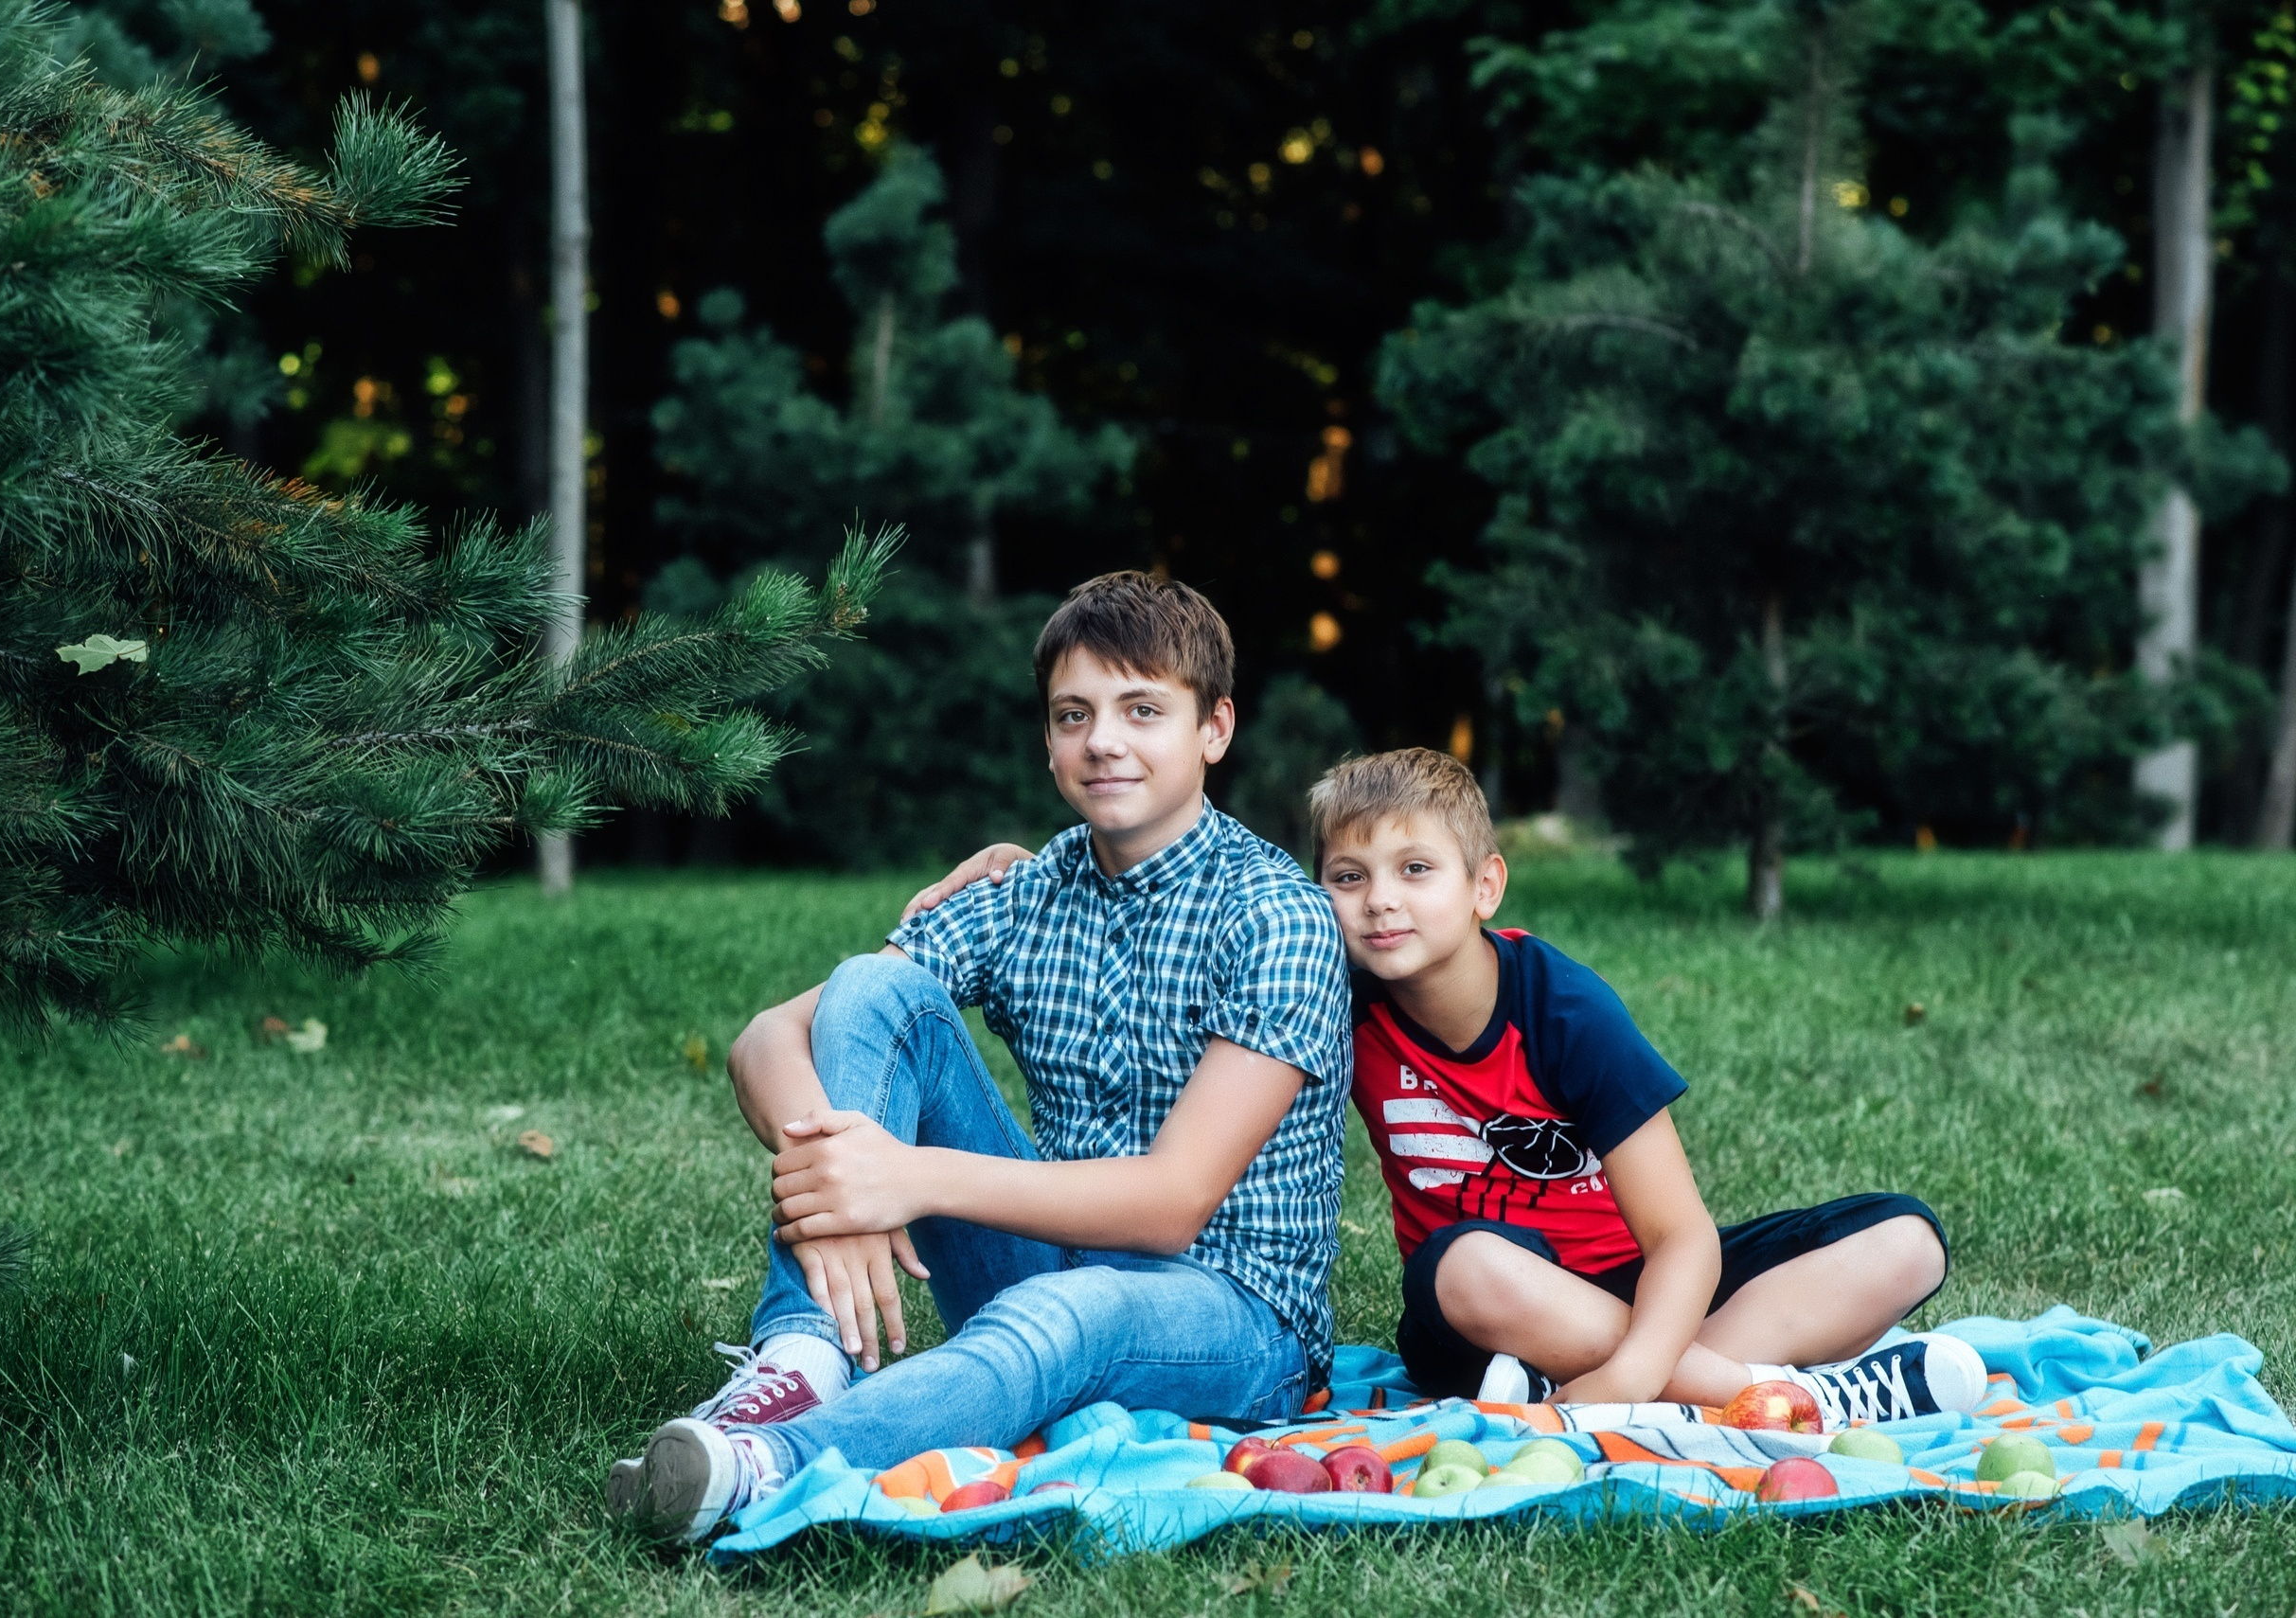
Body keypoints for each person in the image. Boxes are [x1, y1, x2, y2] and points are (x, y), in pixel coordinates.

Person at [910, 748, 1985, 1429]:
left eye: (1416, 871)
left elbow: (1683, 1239)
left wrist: (1624, 1369)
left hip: (1627, 1280)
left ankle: (1663, 1394)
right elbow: (1189, 880)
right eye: (1347, 876)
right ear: (1313, 892)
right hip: (1484, 1306)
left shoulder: (1557, 1002)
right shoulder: (1324, 983)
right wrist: (1044, 866)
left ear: (1484, 885)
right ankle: (1769, 1396)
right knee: (1471, 1262)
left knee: (1905, 1239)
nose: (1381, 904)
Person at [606, 572, 1351, 1542]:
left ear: (1213, 728)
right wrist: (843, 1200)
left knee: (1067, 1315)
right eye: (1072, 714)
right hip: (1048, 1255)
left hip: (1234, 1315)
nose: (1103, 740)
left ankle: (755, 1465)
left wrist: (907, 1177)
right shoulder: (1027, 890)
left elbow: (1174, 1203)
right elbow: (765, 1041)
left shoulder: (1273, 911)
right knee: (874, 989)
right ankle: (805, 1353)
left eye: (1142, 709)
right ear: (1047, 744)